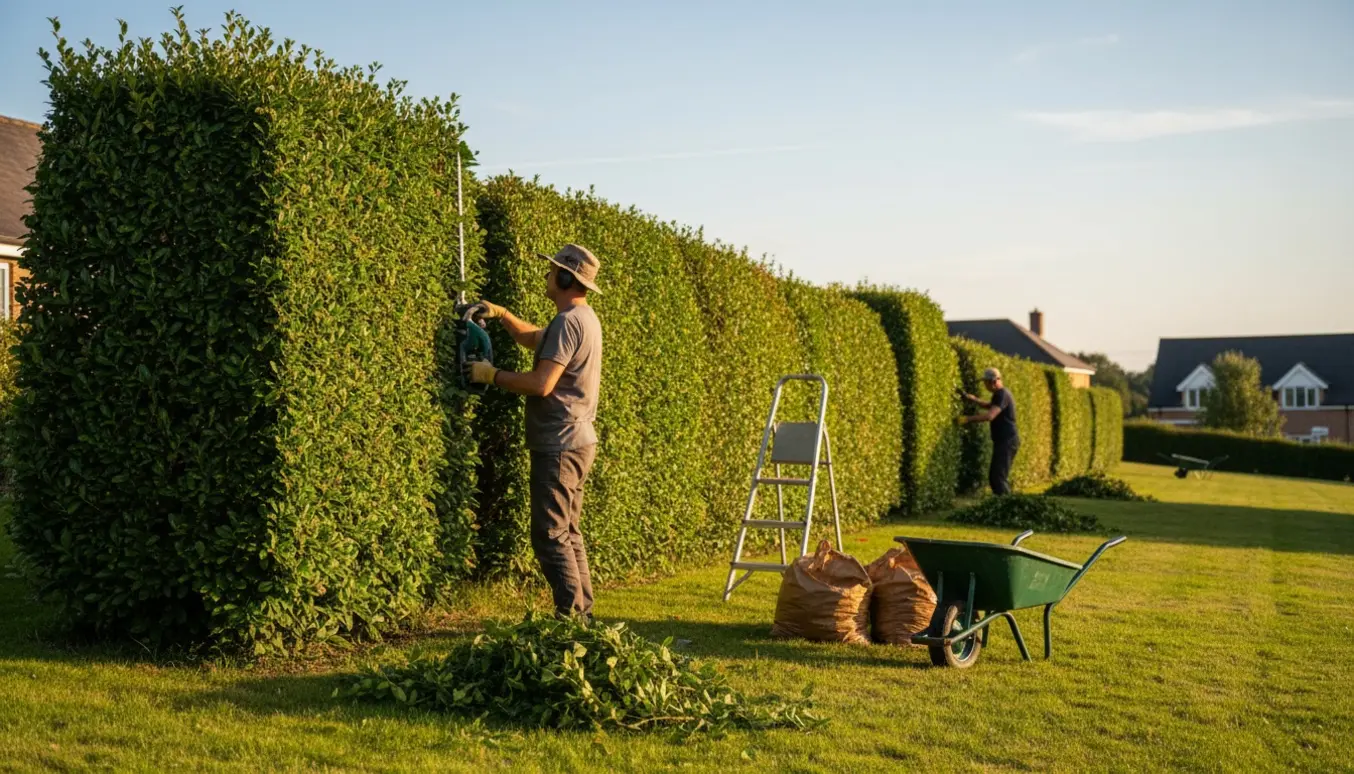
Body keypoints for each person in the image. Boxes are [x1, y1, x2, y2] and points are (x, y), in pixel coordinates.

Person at [468, 244, 604, 619]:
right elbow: (534, 339)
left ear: (564, 278)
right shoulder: (583, 318)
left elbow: (542, 383)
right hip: (577, 441)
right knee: (569, 533)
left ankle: (571, 619)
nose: (547, 275)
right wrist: (503, 314)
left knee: (550, 536)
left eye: (552, 270)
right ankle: (582, 617)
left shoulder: (568, 322)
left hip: (559, 443)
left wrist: (490, 375)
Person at [959, 367, 1020, 495]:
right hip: (1004, 441)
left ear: (993, 382)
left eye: (985, 382)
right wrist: (973, 399)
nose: (985, 385)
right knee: (995, 477)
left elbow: (990, 415)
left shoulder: (1002, 394)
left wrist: (967, 419)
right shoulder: (1000, 395)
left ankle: (1007, 506)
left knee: (998, 478)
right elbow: (989, 405)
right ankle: (1003, 506)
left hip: (1007, 441)